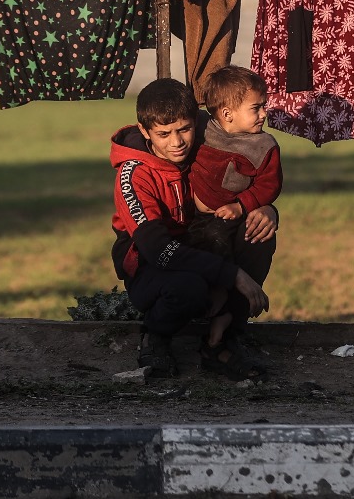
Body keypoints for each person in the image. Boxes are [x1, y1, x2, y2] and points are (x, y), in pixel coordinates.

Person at [111, 78, 269, 380]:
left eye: (184, 129)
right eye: (163, 134)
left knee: (257, 231)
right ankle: (155, 336)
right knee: (188, 288)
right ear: (145, 132)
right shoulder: (133, 175)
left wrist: (265, 208)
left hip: (200, 242)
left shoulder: (207, 146)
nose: (177, 142)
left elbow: (250, 177)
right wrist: (232, 275)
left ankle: (223, 338)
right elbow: (157, 250)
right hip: (151, 263)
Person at [187, 64, 281, 290]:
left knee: (220, 241)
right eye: (256, 108)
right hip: (193, 217)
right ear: (227, 114)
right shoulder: (203, 130)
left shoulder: (263, 146)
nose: (264, 114)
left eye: (264, 106)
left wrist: (241, 206)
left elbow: (269, 185)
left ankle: (231, 299)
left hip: (230, 221)